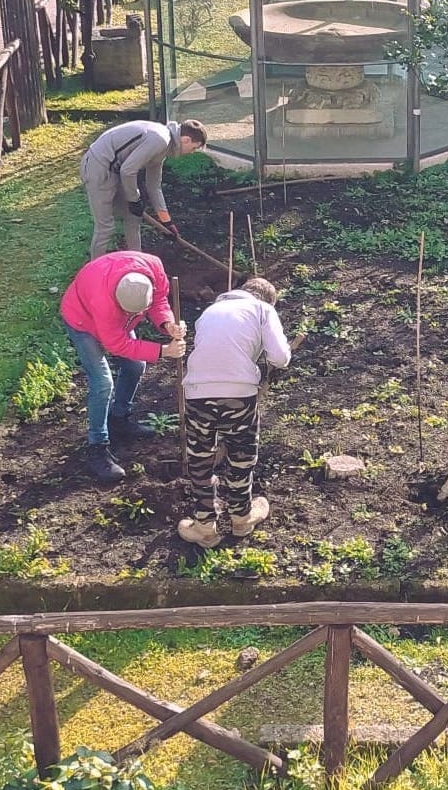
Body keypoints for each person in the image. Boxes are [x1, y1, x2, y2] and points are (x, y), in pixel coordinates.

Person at [177, 277, 295, 548]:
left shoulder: (209, 312)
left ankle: (204, 527)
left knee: (201, 457)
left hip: (197, 392)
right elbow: (280, 358)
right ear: (268, 299)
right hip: (239, 393)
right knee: (241, 455)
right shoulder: (263, 309)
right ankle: (241, 518)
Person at [59, 250, 185, 482]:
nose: (136, 316)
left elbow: (159, 301)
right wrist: (163, 351)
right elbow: (116, 344)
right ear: (118, 302)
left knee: (136, 366)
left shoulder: (153, 268)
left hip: (113, 319)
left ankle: (119, 419)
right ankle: (97, 447)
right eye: (130, 313)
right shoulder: (103, 301)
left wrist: (167, 323)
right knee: (102, 383)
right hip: (81, 320)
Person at [80, 119, 207, 259]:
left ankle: (137, 262)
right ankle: (95, 270)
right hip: (98, 167)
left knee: (133, 218)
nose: (192, 152)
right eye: (194, 148)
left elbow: (154, 186)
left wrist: (167, 222)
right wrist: (133, 199)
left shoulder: (164, 146)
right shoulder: (160, 140)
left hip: (116, 169)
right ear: (186, 140)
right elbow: (128, 171)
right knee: (106, 228)